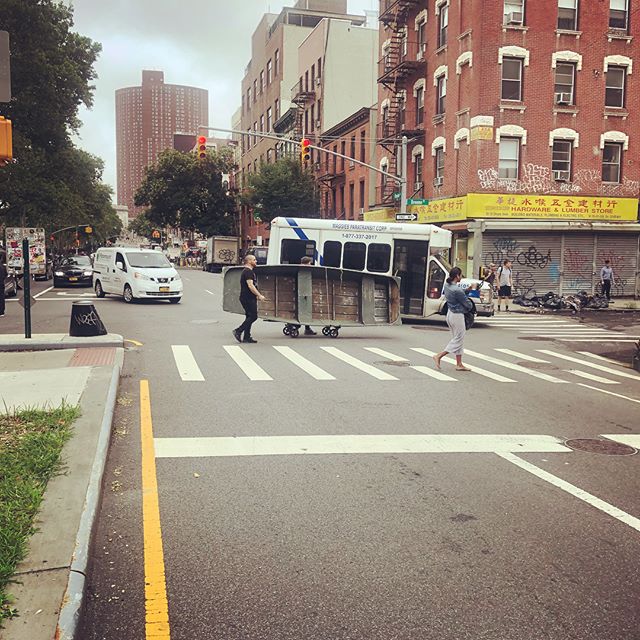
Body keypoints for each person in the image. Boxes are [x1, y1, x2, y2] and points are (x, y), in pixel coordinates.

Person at [433, 267, 473, 372]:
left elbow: (458, 294)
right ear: (457, 276)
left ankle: (459, 364)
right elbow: (467, 304)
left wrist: (466, 291)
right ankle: (439, 355)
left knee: (458, 338)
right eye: (461, 275)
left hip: (450, 314)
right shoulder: (457, 290)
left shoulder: (447, 286)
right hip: (457, 315)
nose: (461, 277)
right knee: (458, 339)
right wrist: (468, 299)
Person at [232, 254, 266, 344]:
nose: (256, 261)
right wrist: (259, 295)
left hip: (247, 297)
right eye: (254, 260)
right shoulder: (248, 272)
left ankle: (247, 337)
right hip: (248, 298)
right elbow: (250, 285)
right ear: (249, 261)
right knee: (253, 316)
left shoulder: (247, 271)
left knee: (249, 316)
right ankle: (238, 331)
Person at [299, 256, 317, 336]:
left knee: (305, 310)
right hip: (303, 293)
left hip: (303, 293)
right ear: (306, 263)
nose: (310, 265)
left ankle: (307, 328)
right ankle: (304, 327)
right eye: (310, 263)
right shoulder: (304, 270)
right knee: (305, 310)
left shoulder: (300, 269)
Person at [0, 253, 6, 318]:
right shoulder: (2, 266)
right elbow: (5, 274)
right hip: (1, 283)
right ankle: (1, 311)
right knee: (1, 297)